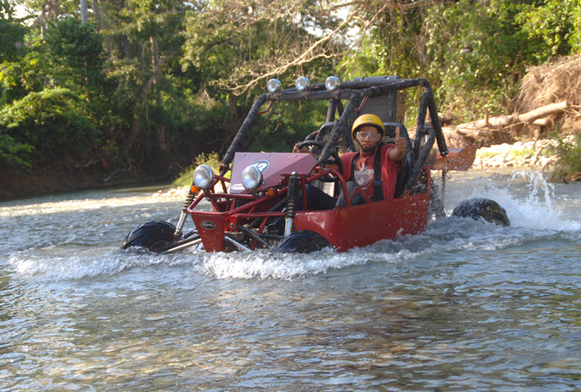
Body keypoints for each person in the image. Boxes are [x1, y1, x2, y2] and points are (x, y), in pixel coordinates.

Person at [293, 113, 407, 207]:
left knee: (351, 187)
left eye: (373, 135)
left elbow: (395, 154)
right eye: (363, 135)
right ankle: (284, 228)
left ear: (379, 138)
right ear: (355, 137)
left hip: (375, 211)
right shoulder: (349, 158)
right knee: (308, 191)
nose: (367, 138)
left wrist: (400, 149)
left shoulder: (385, 152)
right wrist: (306, 155)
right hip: (346, 211)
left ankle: (337, 223)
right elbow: (323, 165)